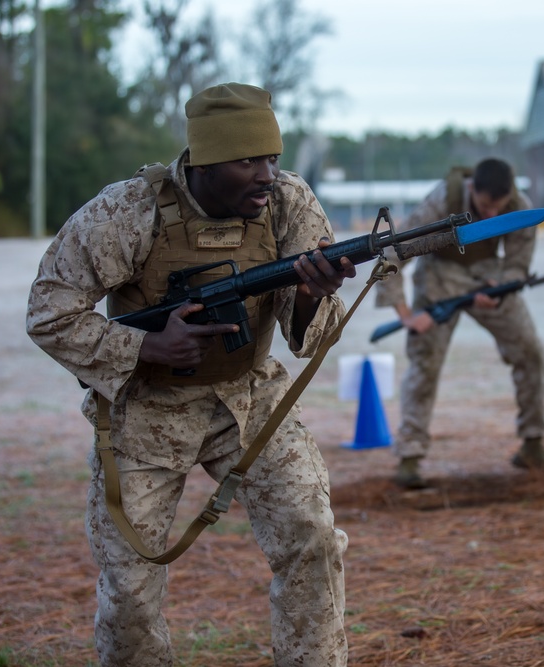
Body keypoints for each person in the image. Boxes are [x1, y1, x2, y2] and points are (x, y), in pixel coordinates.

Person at [26, 83, 355, 667]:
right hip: (148, 409)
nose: (267, 175)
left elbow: (309, 334)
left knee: (312, 538)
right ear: (203, 162)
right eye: (247, 160)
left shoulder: (287, 203)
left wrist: (310, 293)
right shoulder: (128, 211)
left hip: (251, 398)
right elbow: (49, 312)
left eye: (273, 158)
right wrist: (148, 345)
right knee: (128, 587)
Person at [373, 158, 544, 489]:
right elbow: (392, 252)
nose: (489, 215)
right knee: (424, 365)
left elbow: (517, 263)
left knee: (530, 352)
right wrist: (406, 315)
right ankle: (410, 457)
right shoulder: (442, 200)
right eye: (485, 206)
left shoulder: (521, 208)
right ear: (472, 188)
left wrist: (500, 288)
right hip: (440, 279)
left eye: (496, 208)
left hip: (490, 276)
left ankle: (533, 443)